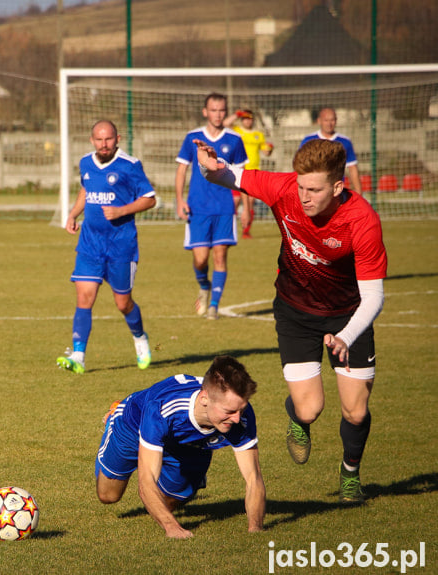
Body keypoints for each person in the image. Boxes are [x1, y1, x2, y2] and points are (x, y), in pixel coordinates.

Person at [194, 138, 387, 504]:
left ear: (337, 186)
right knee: (309, 408)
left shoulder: (361, 220)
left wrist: (345, 336)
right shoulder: (284, 188)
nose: (304, 196)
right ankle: (297, 420)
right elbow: (224, 175)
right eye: (300, 187)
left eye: (313, 189)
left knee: (356, 411)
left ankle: (350, 475)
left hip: (349, 316)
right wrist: (206, 165)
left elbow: (374, 296)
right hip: (296, 312)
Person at [95, 355, 265, 538]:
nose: (237, 418)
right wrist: (172, 528)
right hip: (132, 426)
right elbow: (146, 482)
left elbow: (253, 477)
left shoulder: (241, 415)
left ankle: (188, 475)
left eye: (241, 410)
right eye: (230, 411)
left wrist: (255, 529)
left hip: (189, 446)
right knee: (108, 496)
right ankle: (115, 412)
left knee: (166, 505)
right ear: (204, 399)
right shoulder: (162, 409)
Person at [56, 120, 157, 374]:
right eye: (99, 140)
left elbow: (150, 199)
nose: (104, 144)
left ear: (118, 138)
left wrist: (122, 210)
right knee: (84, 298)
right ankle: (78, 355)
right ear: (92, 140)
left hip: (121, 247)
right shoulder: (86, 163)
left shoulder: (130, 166)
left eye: (109, 139)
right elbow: (86, 190)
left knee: (123, 303)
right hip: (90, 244)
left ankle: (139, 337)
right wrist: (73, 214)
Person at [175, 93, 248, 320]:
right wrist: (179, 200)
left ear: (226, 112)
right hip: (198, 207)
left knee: (219, 257)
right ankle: (204, 286)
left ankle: (214, 306)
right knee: (200, 260)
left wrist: (247, 207)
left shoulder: (234, 140)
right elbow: (181, 170)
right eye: (213, 110)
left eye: (221, 110)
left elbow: (244, 176)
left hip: (225, 207)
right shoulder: (192, 137)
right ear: (205, 112)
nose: (218, 114)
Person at [223, 108, 274, 238]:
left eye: (249, 118)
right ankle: (228, 228)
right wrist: (236, 114)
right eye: (245, 118)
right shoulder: (237, 131)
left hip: (253, 172)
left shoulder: (258, 134)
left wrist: (269, 149)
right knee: (234, 201)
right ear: (242, 120)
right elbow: (225, 124)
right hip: (237, 171)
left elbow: (265, 152)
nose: (247, 121)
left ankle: (246, 230)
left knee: (250, 202)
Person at [300, 107, 361, 194]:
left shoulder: (345, 142)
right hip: (314, 190)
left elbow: (353, 168)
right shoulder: (308, 140)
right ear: (319, 121)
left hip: (336, 191)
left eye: (332, 120)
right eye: (326, 120)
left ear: (336, 121)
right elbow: (301, 166)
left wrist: (359, 194)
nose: (329, 123)